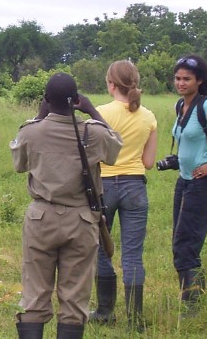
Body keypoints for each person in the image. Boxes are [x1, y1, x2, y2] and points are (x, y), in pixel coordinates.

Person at [10, 72, 123, 339]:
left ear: (47, 99)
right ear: (76, 100)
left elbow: (19, 165)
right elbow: (116, 147)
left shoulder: (31, 131)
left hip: (41, 217)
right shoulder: (92, 132)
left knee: (34, 293)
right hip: (81, 219)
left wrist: (39, 117)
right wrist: (92, 110)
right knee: (74, 299)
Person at [91, 60, 157, 330]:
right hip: (135, 186)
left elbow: (90, 156)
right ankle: (136, 320)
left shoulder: (99, 113)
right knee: (132, 255)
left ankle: (105, 312)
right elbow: (149, 161)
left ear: (111, 84)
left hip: (103, 187)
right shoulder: (148, 116)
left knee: (100, 250)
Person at [169, 55, 207, 317]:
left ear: (200, 80)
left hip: (204, 183)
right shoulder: (179, 105)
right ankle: (194, 296)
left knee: (186, 243)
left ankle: (192, 306)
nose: (181, 83)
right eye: (178, 78)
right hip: (184, 181)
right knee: (179, 241)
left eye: (187, 79)